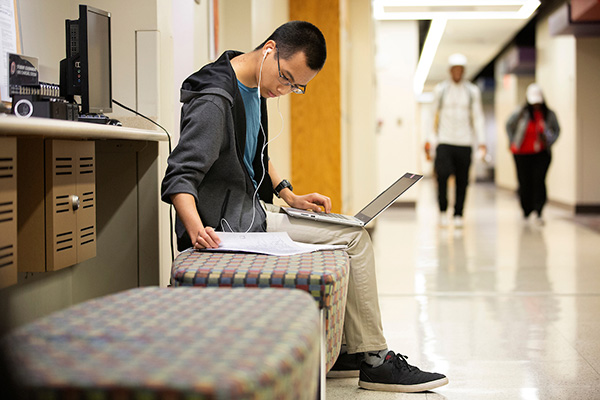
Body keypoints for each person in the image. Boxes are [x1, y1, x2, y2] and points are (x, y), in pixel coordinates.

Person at [161, 21, 448, 393]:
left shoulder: (251, 86)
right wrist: (196, 230)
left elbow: (257, 154)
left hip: (252, 215)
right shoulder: (216, 99)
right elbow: (179, 174)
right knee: (354, 239)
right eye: (285, 78)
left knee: (347, 229)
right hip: (229, 230)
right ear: (269, 49)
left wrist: (289, 195)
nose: (284, 90)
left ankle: (348, 353)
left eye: (296, 86)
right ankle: (374, 360)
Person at [425, 53, 486, 228]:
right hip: (444, 141)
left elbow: (478, 117)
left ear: (464, 71)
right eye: (455, 69)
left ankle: (459, 213)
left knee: (462, 181)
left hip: (465, 142)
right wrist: (429, 139)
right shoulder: (441, 90)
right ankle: (443, 212)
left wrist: (481, 141)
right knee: (442, 178)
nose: (457, 72)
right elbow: (431, 117)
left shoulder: (472, 91)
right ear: (450, 71)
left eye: (461, 69)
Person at [506, 83, 559, 224]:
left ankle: (539, 209)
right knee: (524, 181)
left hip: (541, 153)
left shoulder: (548, 114)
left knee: (539, 180)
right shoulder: (520, 112)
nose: (535, 105)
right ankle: (526, 209)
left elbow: (557, 130)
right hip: (522, 153)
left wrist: (549, 141)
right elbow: (508, 125)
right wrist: (512, 141)